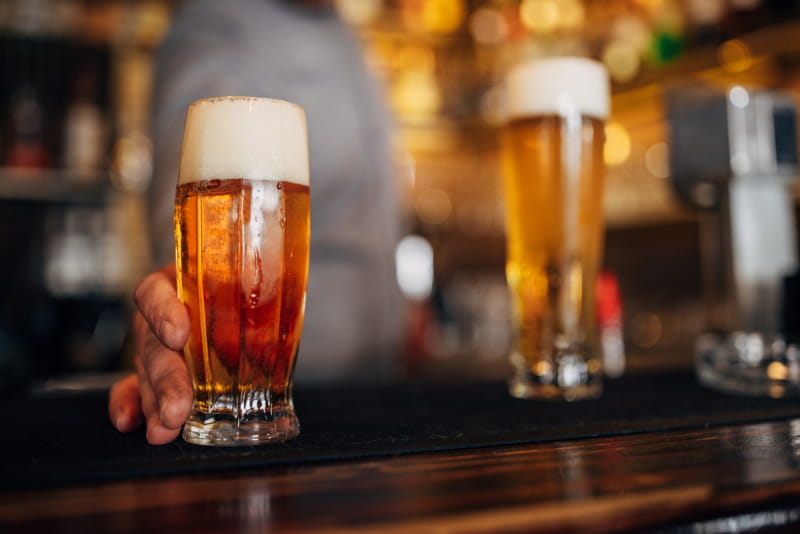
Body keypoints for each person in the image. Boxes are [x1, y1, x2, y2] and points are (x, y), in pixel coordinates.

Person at [109, 0, 406, 444]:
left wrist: (404, 311)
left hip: (386, 391)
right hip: (290, 415)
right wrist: (172, 329)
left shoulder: (342, 31)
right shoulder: (214, 26)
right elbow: (196, 244)